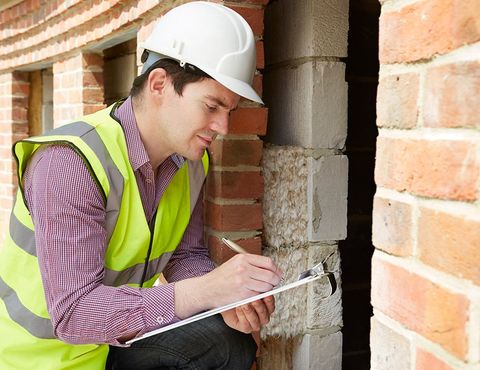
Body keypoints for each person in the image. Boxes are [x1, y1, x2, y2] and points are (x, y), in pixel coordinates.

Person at [0, 2, 282, 369]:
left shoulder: (192, 163)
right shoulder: (68, 164)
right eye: (212, 106)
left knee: (228, 342)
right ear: (160, 84)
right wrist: (206, 290)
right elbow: (74, 315)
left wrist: (226, 300)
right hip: (41, 359)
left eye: (230, 111)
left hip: (114, 344)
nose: (223, 128)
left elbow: (184, 256)